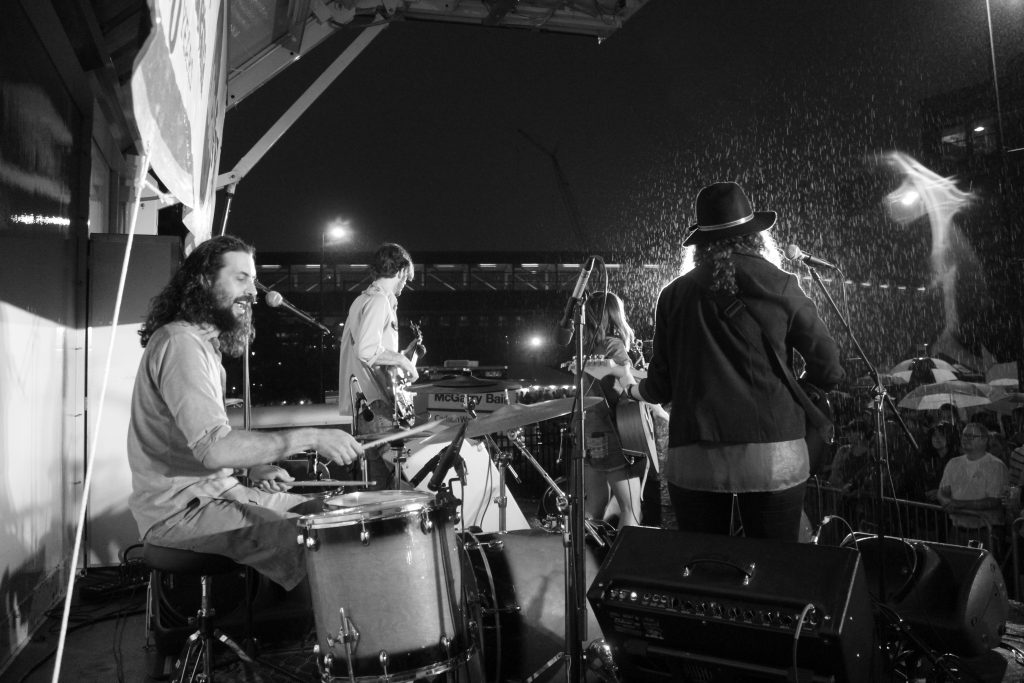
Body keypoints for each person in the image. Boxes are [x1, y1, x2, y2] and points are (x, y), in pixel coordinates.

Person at [127, 235, 363, 590]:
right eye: (240, 278)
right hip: (181, 513)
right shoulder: (180, 345)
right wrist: (312, 437)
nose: (253, 292)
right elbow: (215, 448)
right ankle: (323, 638)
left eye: (253, 281)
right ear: (204, 281)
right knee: (321, 543)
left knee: (326, 515)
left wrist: (253, 464)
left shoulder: (204, 348)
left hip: (216, 494)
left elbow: (197, 443)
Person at [622, 181, 844, 541]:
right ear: (756, 237)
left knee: (707, 569)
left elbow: (661, 385)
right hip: (773, 454)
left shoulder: (674, 295)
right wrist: (795, 392)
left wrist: (634, 391)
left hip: (696, 455)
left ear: (701, 243)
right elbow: (831, 367)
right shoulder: (782, 284)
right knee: (775, 570)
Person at [338, 243, 421, 489]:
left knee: (380, 488)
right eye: (406, 278)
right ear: (401, 271)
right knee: (402, 483)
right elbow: (367, 350)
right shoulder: (378, 302)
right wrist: (404, 361)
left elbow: (369, 351)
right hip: (378, 406)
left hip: (365, 407)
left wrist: (404, 354)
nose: (405, 284)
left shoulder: (362, 300)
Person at [574, 291, 648, 529]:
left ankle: (588, 560)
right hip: (611, 431)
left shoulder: (584, 347)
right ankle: (624, 563)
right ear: (615, 314)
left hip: (588, 433)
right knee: (631, 508)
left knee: (594, 507)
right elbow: (626, 380)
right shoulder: (612, 343)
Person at [937, 422, 1008, 554]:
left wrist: (957, 505)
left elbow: (993, 501)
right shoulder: (953, 463)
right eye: (964, 435)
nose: (966, 438)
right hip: (958, 530)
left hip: (985, 531)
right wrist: (946, 502)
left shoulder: (995, 466)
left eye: (971, 436)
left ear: (984, 440)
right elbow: (942, 491)